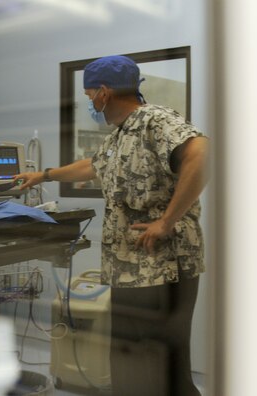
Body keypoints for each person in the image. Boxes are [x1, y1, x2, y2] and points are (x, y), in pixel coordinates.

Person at [13, 55, 208, 396]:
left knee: (151, 363)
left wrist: (166, 221)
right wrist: (42, 175)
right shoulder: (120, 136)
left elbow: (201, 153)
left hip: (160, 265)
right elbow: (92, 165)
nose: (91, 104)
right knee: (137, 360)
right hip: (132, 267)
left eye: (90, 97)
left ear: (103, 93)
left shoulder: (153, 120)